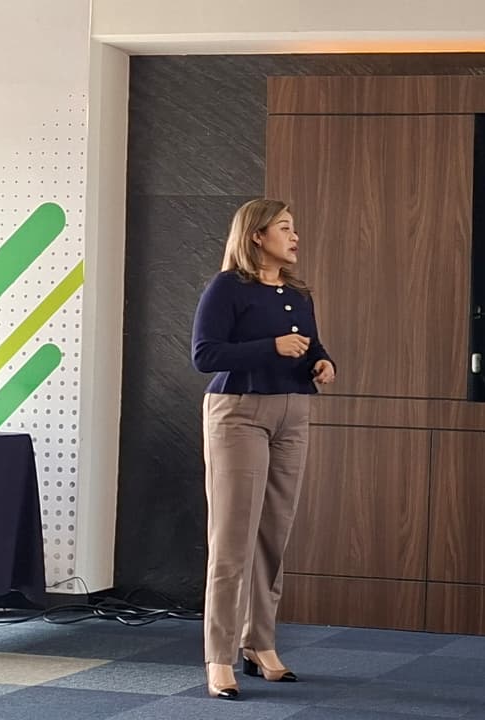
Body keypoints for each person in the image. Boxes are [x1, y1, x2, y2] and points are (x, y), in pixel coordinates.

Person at [190, 198, 336, 700]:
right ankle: (219, 656)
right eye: (285, 228)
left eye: (294, 228)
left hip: (293, 412)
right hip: (239, 413)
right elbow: (205, 355)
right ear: (257, 235)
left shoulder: (297, 293)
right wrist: (270, 347)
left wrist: (323, 363)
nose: (295, 237)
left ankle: (260, 644)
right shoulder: (226, 287)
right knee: (232, 539)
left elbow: (312, 346)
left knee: (273, 534)